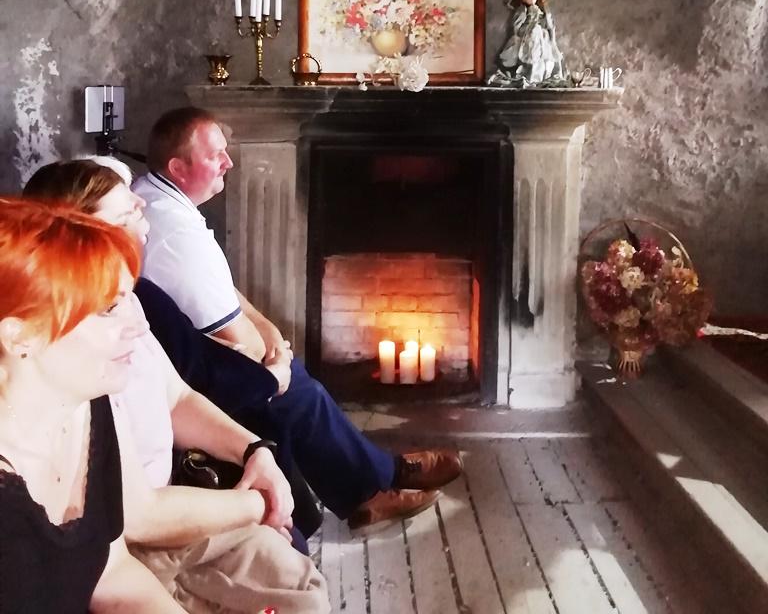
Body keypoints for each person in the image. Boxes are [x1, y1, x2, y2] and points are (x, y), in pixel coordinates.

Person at [133, 107, 463, 534]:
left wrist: (270, 333)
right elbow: (231, 335)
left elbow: (226, 292)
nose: (229, 162)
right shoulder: (175, 234)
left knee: (299, 384)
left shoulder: (164, 201)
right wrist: (276, 362)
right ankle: (377, 485)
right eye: (215, 155)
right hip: (189, 369)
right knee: (298, 393)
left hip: (193, 350)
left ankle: (375, 483)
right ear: (178, 168)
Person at [22, 164, 330, 614]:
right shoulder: (78, 371)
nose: (142, 201)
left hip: (172, 510)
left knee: (302, 586)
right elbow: (137, 520)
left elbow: (177, 395)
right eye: (124, 209)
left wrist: (254, 450)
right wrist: (257, 504)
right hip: (151, 542)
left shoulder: (130, 300)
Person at [0, 197, 186, 612]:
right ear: (20, 337)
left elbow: (111, 569)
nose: (139, 325)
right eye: (108, 309)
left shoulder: (86, 403)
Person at [489, 0, 566, 86]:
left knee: (544, 56)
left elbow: (549, 25)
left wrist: (551, 38)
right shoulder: (523, 10)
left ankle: (540, 76)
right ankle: (529, 76)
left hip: (541, 38)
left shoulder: (541, 10)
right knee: (529, 53)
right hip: (528, 37)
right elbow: (516, 26)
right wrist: (526, 29)